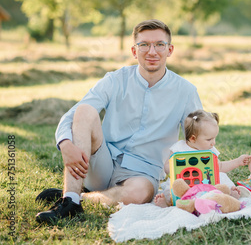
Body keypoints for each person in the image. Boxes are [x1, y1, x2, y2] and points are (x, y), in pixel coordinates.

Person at [36, 19, 203, 223]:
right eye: (144, 45)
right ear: (134, 51)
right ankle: (69, 202)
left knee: (139, 194)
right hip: (101, 161)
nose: (152, 51)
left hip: (143, 172)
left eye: (159, 44)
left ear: (170, 50)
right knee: (85, 110)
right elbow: (75, 114)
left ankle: (80, 197)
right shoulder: (115, 79)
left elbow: (198, 136)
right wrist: (64, 143)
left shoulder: (186, 91)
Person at [154, 110, 251, 207]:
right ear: (193, 138)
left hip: (207, 183)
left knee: (222, 177)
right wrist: (173, 169)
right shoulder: (178, 148)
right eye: (209, 139)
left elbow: (220, 166)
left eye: (214, 138)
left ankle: (228, 196)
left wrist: (237, 161)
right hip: (186, 184)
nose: (213, 142)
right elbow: (167, 166)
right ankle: (168, 203)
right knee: (172, 187)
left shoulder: (210, 149)